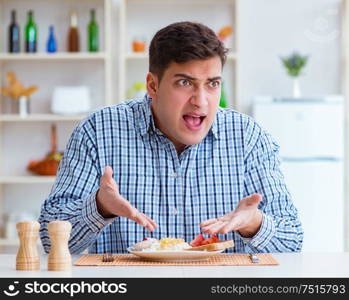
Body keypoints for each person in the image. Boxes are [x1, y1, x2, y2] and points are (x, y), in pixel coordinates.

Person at [38, 21, 303, 254]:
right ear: (153, 85)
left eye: (212, 84)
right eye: (185, 82)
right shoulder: (97, 131)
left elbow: (292, 241)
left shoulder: (247, 137)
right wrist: (99, 207)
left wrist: (254, 223)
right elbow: (52, 242)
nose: (201, 101)